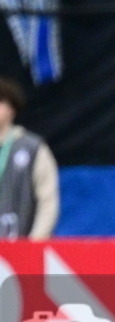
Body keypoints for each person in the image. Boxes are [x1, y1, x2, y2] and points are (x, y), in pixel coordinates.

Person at [0, 77, 59, 241]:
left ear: (12, 109)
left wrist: (33, 245)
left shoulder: (32, 148)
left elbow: (48, 202)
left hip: (20, 248)